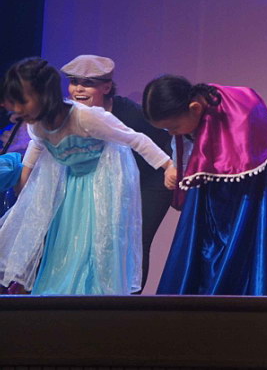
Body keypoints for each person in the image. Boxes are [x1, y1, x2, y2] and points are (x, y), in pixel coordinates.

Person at [142, 75, 267, 295]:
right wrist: (175, 168)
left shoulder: (242, 110)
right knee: (206, 255)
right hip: (213, 196)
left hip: (251, 194)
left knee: (243, 253)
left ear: (195, 108)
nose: (172, 133)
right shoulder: (189, 120)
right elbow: (183, 146)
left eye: (173, 127)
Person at [0, 58, 172, 294]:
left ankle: (97, 301)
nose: (17, 110)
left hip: (104, 183)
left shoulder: (86, 117)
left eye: (23, 101)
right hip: (73, 185)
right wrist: (23, 187)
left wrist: (168, 166)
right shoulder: (36, 125)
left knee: (98, 245)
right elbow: (34, 150)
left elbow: (136, 139)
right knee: (67, 244)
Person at [61, 54, 172, 292]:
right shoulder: (70, 114)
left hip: (150, 180)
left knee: (136, 240)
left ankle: (129, 298)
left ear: (106, 87)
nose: (78, 89)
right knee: (101, 238)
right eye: (74, 82)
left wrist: (171, 169)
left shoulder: (130, 114)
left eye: (88, 83)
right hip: (112, 181)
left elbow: (164, 140)